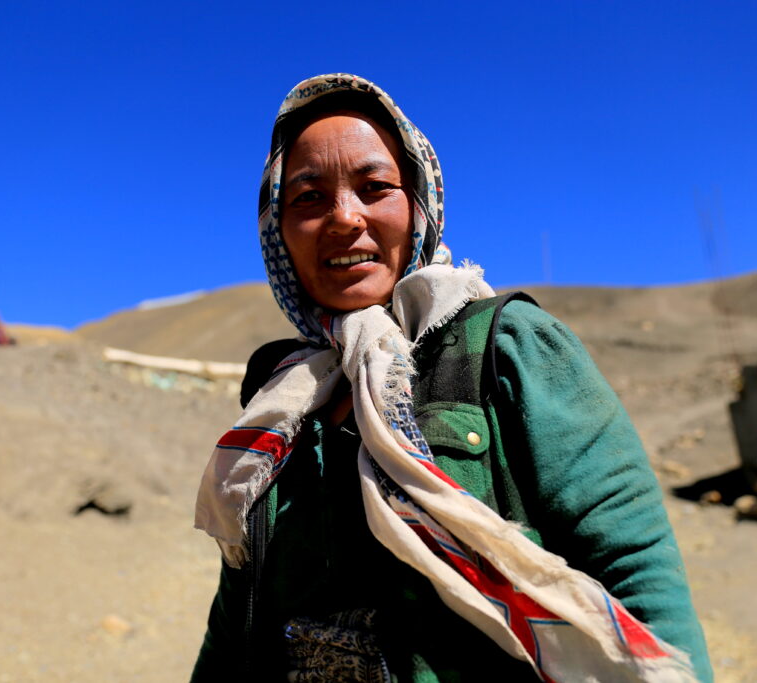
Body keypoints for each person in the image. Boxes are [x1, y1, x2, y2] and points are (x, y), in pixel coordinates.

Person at [192, 74, 711, 682]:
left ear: (419, 204)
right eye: (308, 198)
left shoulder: (509, 344)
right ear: (276, 228)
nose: (344, 218)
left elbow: (632, 564)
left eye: (374, 187)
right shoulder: (277, 393)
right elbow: (239, 605)